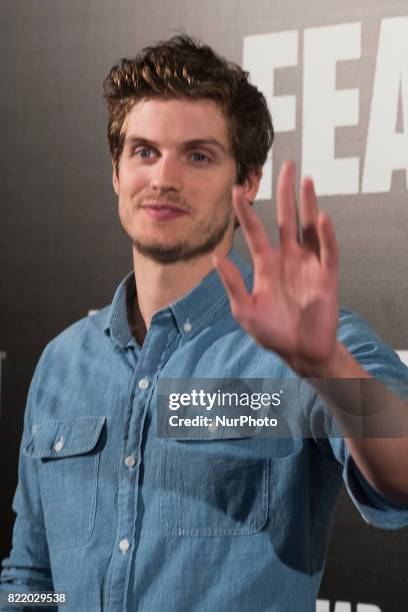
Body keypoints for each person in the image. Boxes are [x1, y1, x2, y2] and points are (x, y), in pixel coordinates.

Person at [1, 34, 408, 612]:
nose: (163, 178)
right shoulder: (61, 364)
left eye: (197, 155)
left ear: (246, 182)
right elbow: (32, 580)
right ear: (116, 174)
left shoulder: (305, 349)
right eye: (144, 151)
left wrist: (326, 367)